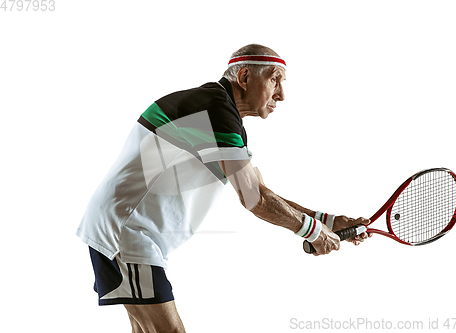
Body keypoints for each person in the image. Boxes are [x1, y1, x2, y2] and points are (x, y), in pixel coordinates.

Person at [77, 44, 370, 333]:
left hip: (125, 228)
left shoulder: (218, 111)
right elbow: (255, 200)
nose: (282, 94)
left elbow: (258, 188)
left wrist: (327, 222)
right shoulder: (214, 110)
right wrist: (313, 232)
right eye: (274, 79)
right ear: (243, 78)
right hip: (126, 231)